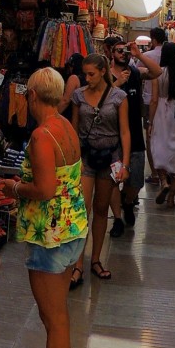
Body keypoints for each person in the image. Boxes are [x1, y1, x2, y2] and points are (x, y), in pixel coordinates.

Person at [1, 68, 87, 348]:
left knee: (54, 319)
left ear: (33, 96)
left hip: (50, 234)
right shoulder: (65, 126)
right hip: (72, 229)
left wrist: (15, 188)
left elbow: (46, 189)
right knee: (58, 314)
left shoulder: (40, 135)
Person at [69, 53, 131, 285]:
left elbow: (124, 131)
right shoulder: (79, 96)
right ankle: (77, 263)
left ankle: (95, 259)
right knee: (82, 208)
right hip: (85, 157)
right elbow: (74, 129)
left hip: (109, 157)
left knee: (102, 208)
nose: (87, 78)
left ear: (103, 71)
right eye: (85, 74)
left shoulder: (119, 97)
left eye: (91, 74)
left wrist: (124, 164)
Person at [141, 40, 175, 208]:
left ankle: (163, 180)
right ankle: (171, 197)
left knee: (157, 148)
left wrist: (150, 121)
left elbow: (154, 100)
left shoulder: (159, 74)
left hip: (160, 115)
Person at [108, 39, 146, 233]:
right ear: (111, 52)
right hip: (113, 136)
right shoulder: (106, 75)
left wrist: (138, 55)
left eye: (125, 50)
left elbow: (157, 72)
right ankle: (116, 219)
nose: (123, 53)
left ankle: (128, 201)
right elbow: (100, 100)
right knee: (114, 179)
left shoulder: (136, 73)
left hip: (135, 134)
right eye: (119, 50)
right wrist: (117, 83)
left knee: (136, 180)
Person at [136, 26, 167, 185]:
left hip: (149, 101)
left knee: (150, 137)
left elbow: (136, 74)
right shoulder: (169, 56)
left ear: (153, 40)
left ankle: (155, 173)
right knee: (164, 136)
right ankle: (166, 171)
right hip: (168, 103)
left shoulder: (146, 56)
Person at [58, 52, 85, 118]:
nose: (69, 69)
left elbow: (65, 101)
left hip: (71, 117)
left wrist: (52, 116)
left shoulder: (74, 78)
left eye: (70, 66)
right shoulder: (88, 78)